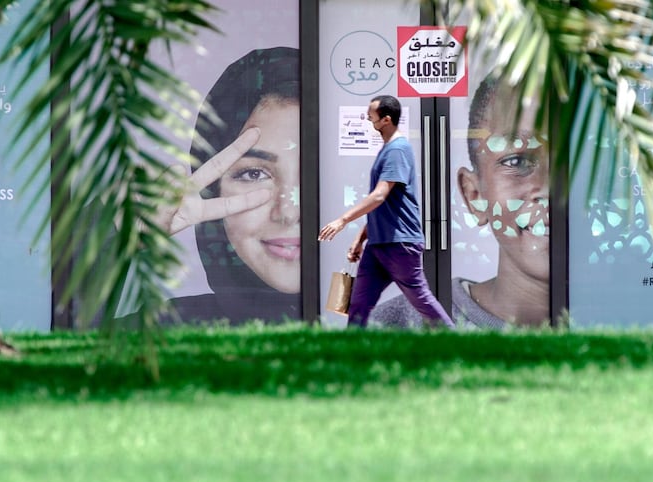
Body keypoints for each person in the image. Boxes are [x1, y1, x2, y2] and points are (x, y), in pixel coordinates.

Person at [371, 76, 550, 328]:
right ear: (473, 195)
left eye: (582, 159)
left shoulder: (625, 320)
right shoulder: (391, 329)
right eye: (517, 161)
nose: (550, 188)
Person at [150, 47, 302, 324]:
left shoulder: (400, 323)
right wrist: (114, 244)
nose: (289, 212)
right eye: (255, 174)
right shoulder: (162, 332)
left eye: (314, 175)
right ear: (213, 190)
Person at [318, 95, 455, 329]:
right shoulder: (388, 149)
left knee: (421, 300)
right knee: (359, 304)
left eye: (371, 115)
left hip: (399, 243)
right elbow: (384, 205)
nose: (367, 118)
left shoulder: (397, 150)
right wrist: (360, 239)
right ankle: (349, 355)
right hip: (378, 244)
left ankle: (459, 346)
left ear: (386, 120)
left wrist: (342, 220)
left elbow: (380, 195)